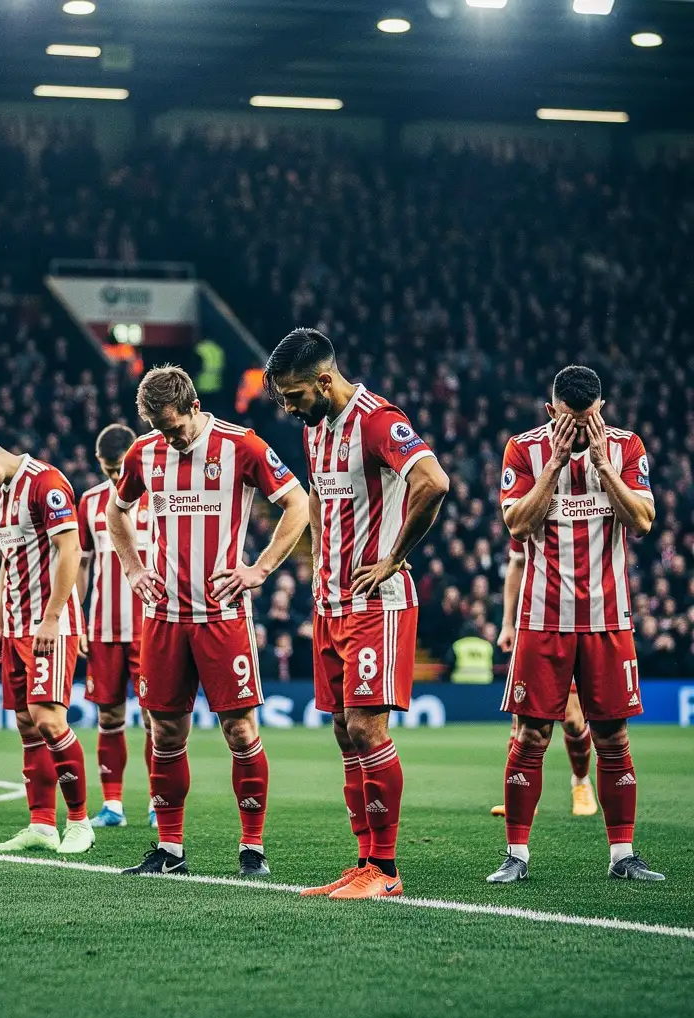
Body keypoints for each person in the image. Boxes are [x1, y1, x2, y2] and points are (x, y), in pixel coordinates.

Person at [264, 329, 449, 900]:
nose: (288, 407)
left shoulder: (376, 420)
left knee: (368, 726)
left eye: (293, 395)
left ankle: (387, 869)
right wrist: (320, 561)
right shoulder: (317, 428)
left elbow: (433, 481)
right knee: (346, 731)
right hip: (331, 600)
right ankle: (364, 860)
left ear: (324, 379)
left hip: (376, 603)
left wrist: (393, 558)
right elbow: (320, 497)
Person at [107, 365, 308, 877]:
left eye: (173, 427)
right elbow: (117, 510)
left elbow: (298, 504)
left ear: (194, 407)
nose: (168, 439)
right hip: (164, 618)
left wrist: (260, 568)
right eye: (159, 430)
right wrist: (133, 568)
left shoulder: (242, 445)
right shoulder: (143, 452)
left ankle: (253, 848)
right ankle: (170, 851)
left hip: (221, 616)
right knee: (165, 735)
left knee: (240, 732)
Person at [489, 365, 663, 883]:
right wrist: (557, 463)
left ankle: (623, 856)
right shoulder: (523, 450)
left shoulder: (627, 447)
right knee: (532, 735)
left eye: (588, 421)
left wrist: (606, 469)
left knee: (611, 736)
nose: (581, 431)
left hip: (609, 618)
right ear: (551, 413)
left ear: (601, 410)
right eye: (569, 421)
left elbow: (644, 521)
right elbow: (517, 525)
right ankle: (516, 856)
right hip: (542, 619)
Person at [0, 424, 95, 856]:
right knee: (28, 726)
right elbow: (12, 562)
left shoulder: (45, 483)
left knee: (48, 719)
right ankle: (42, 824)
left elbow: (70, 551)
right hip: (14, 623)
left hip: (51, 625)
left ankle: (80, 823)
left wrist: (51, 618)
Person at [77, 424, 157, 829]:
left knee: (155, 719)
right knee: (109, 718)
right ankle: (112, 806)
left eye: (120, 467)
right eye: (108, 470)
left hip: (151, 626)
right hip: (103, 627)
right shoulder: (90, 502)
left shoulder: (159, 495)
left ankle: (158, 802)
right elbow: (82, 562)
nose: (114, 477)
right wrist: (76, 617)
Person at [490, 538, 596, 818]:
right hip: (535, 624)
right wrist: (507, 624)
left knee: (573, 721)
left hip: (580, 623)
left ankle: (581, 782)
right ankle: (524, 798)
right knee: (523, 717)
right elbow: (516, 564)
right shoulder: (527, 508)